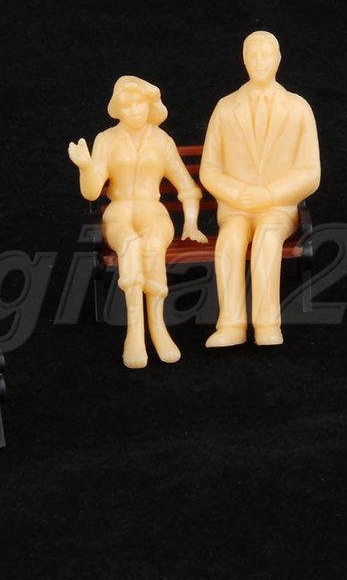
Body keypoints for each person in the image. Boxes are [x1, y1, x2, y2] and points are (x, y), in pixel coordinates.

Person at [69, 75, 207, 368]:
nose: (133, 111)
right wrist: (86, 167)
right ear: (117, 109)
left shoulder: (162, 140)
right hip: (118, 211)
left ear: (149, 105)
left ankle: (158, 326)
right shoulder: (106, 139)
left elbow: (187, 188)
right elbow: (92, 192)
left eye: (139, 104)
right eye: (127, 106)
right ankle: (134, 331)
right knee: (130, 245)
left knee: (153, 245)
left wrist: (191, 224)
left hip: (153, 211)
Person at [200, 31, 321, 347]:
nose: (259, 61)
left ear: (278, 59)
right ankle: (231, 325)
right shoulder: (226, 108)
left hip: (278, 207)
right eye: (252, 55)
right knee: (229, 241)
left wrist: (269, 194)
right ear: (244, 60)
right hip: (236, 208)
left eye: (266, 54)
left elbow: (310, 173)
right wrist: (236, 193)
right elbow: (209, 169)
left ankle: (267, 324)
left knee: (268, 237)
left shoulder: (298, 108)